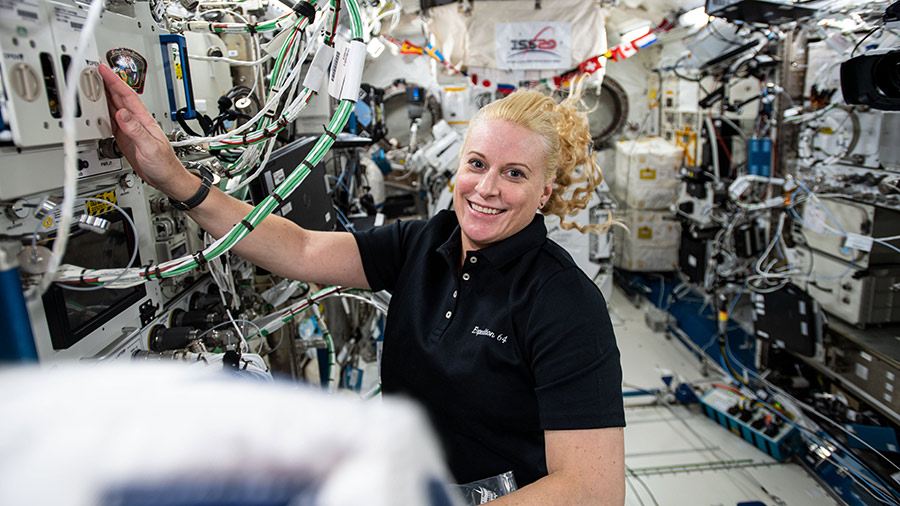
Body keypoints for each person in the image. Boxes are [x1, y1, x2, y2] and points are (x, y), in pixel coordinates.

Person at [99, 64, 625, 505]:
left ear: (544, 192)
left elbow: (592, 490)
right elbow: (301, 248)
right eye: (477, 164)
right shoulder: (423, 244)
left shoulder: (563, 302)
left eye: (514, 174)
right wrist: (175, 180)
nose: (486, 188)